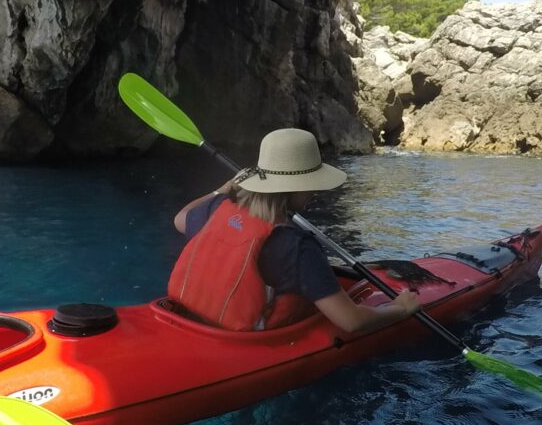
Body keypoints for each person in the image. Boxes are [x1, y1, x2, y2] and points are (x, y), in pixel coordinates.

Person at [168, 127, 423, 334]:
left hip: (189, 320)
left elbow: (180, 219)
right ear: (296, 187)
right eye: (311, 184)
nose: (315, 192)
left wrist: (222, 190)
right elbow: (351, 321)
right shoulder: (297, 246)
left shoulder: (217, 208)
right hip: (246, 341)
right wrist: (399, 308)